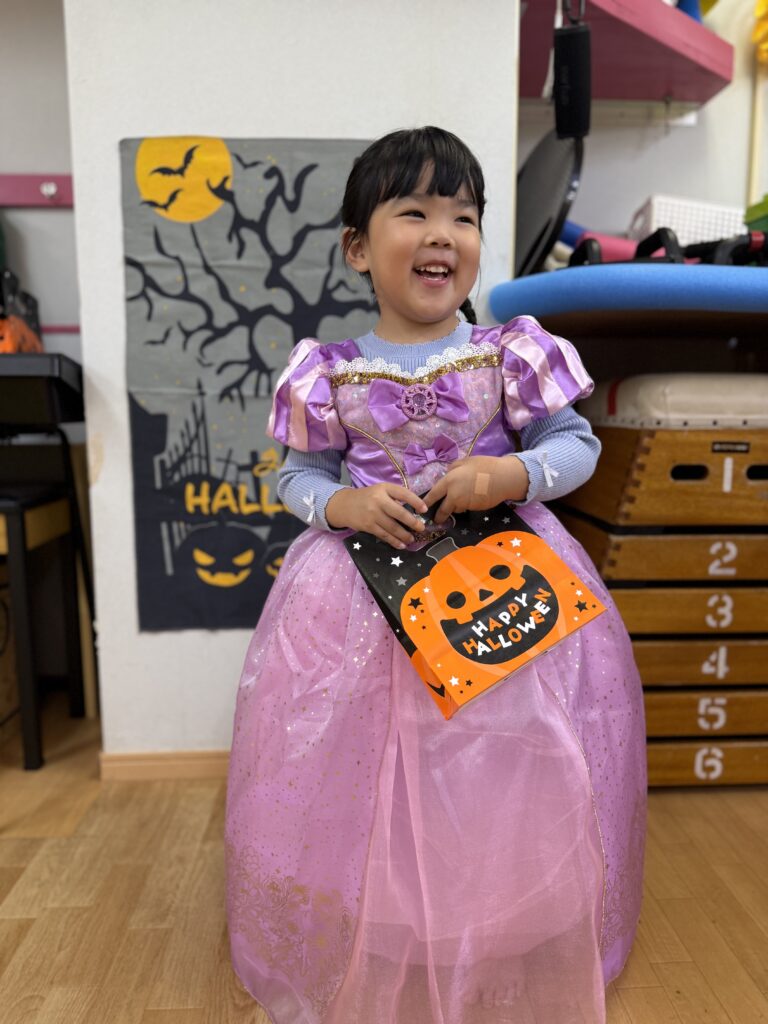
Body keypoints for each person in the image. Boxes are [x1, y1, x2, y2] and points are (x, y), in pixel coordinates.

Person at [225, 126, 646, 1024]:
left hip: (503, 584)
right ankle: (387, 923)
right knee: (365, 765)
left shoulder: (510, 352)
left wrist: (511, 474)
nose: (442, 234)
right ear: (357, 247)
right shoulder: (327, 370)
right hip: (359, 600)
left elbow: (576, 445)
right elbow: (298, 479)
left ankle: (498, 918)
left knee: (505, 759)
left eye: (463, 215)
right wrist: (345, 503)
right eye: (413, 212)